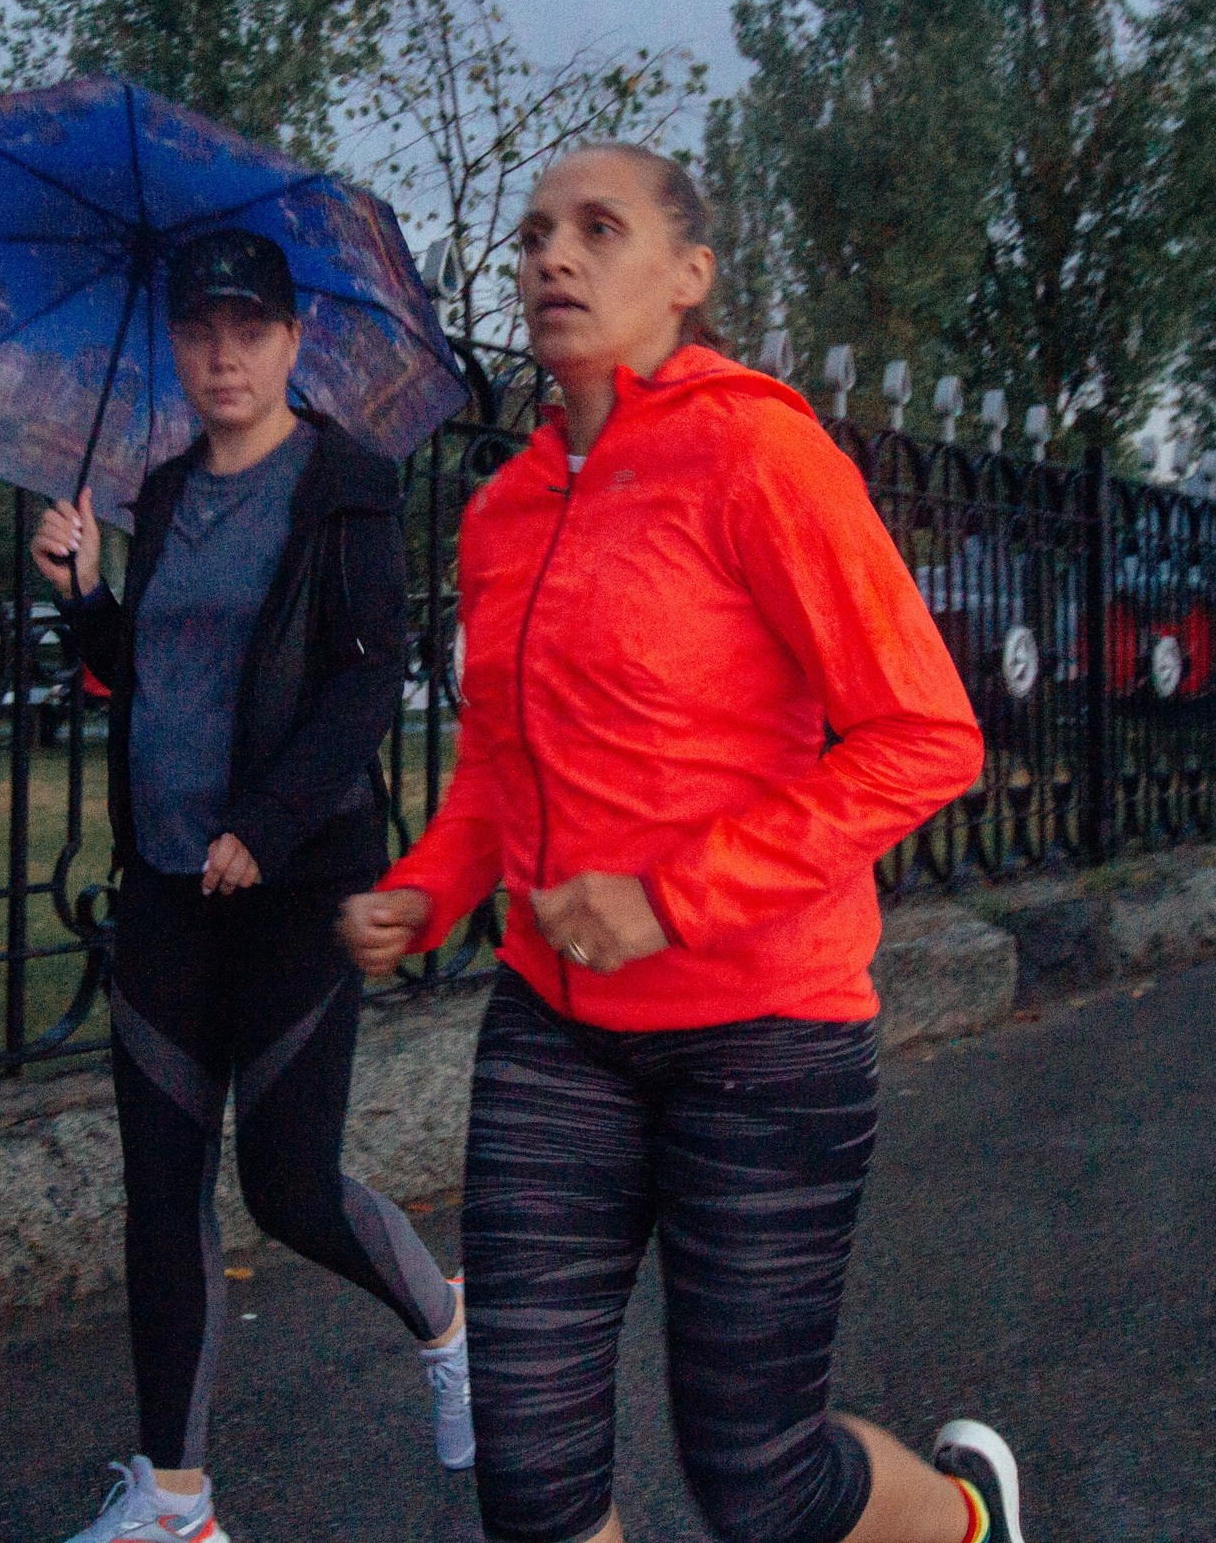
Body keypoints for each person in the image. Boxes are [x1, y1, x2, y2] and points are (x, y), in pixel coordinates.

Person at [341, 144, 1026, 1543]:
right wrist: (428, 886)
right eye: (536, 234)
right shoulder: (500, 511)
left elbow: (925, 734)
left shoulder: (758, 451)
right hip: (554, 1025)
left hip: (762, 1036)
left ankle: (964, 1519)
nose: (551, 257)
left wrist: (673, 897)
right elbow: (495, 769)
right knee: (529, 1481)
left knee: (760, 1480)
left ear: (690, 278)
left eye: (599, 228)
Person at [33, 229, 469, 1543]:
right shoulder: (162, 493)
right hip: (166, 882)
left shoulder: (343, 483)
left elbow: (361, 681)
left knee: (286, 1185)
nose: (223, 352)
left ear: (293, 342)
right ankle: (176, 1500)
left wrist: (270, 827)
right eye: (200, 331)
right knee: (161, 1189)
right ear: (177, 348)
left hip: (292, 884)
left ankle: (451, 1325)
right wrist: (85, 594)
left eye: (250, 329)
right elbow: (144, 671)